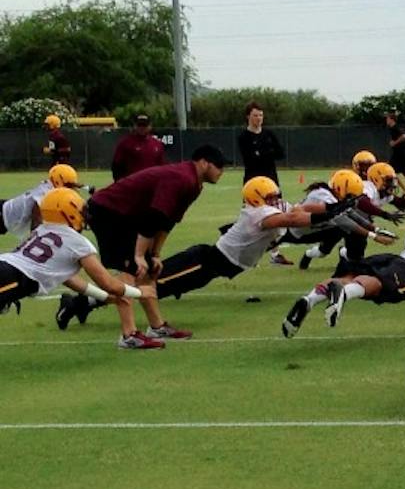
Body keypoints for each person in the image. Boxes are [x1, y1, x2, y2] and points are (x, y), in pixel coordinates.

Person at [56, 176, 361, 326]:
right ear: (257, 198)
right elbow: (295, 218)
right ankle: (79, 304)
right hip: (207, 262)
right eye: (271, 195)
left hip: (214, 265)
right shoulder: (258, 215)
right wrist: (330, 214)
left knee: (150, 290)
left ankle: (83, 304)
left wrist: (335, 206)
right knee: (146, 289)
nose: (277, 199)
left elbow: (304, 207)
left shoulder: (265, 208)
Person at [77, 144, 227, 347]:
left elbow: (168, 221)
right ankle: (128, 335)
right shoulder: (182, 178)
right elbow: (154, 216)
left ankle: (156, 327)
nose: (221, 172)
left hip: (127, 216)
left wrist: (155, 253)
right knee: (129, 269)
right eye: (219, 166)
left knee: (149, 270)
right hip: (108, 212)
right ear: (203, 162)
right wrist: (139, 254)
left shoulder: (194, 184)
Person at [284, 212, 405, 336]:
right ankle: (344, 293)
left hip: (394, 258)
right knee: (381, 285)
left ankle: (309, 300)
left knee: (349, 275)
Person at [0, 188, 151, 316]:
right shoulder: (77, 243)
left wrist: (104, 297)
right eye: (80, 211)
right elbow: (109, 283)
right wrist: (140, 292)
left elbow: (68, 278)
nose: (83, 215)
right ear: (68, 212)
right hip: (11, 277)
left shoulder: (42, 230)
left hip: (7, 267)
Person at [237, 100, 292, 264]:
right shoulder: (243, 137)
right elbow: (251, 158)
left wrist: (263, 153)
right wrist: (265, 153)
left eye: (261, 115)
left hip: (271, 181)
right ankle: (244, 251)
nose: (259, 118)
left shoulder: (269, 135)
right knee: (251, 218)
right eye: (255, 115)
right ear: (248, 117)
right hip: (253, 183)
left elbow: (280, 153)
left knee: (276, 215)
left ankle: (275, 254)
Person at [3, 164, 84, 239]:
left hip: (5, 211)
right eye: (69, 185)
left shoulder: (49, 187)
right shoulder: (44, 194)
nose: (70, 189)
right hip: (2, 215)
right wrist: (34, 240)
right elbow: (36, 221)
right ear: (58, 181)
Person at [111, 114, 167, 182]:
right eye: (139, 125)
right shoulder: (126, 143)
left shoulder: (157, 144)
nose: (142, 128)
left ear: (150, 126)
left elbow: (162, 167)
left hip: (152, 183)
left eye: (144, 125)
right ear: (135, 126)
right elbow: (116, 165)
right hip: (132, 183)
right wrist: (119, 181)